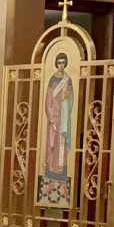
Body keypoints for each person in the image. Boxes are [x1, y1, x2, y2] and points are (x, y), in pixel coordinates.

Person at [42, 51, 75, 179]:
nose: (61, 65)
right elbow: (48, 101)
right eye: (59, 63)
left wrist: (65, 101)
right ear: (56, 64)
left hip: (64, 117)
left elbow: (70, 99)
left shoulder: (68, 79)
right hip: (54, 118)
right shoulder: (52, 79)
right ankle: (50, 173)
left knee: (62, 144)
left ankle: (61, 174)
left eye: (63, 63)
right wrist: (52, 118)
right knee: (52, 145)